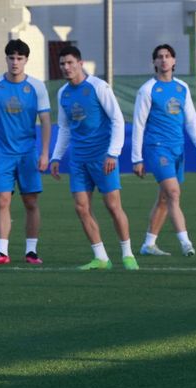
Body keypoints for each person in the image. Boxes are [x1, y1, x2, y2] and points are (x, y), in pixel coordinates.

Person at [50, 46, 139, 270]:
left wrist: (113, 153)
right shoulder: (63, 93)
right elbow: (64, 128)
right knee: (81, 207)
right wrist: (56, 157)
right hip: (78, 159)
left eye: (70, 63)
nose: (66, 67)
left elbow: (118, 120)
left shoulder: (99, 87)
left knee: (112, 205)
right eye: (62, 64)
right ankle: (101, 258)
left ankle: (128, 254)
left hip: (102, 157)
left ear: (80, 63)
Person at [0, 39, 51, 265]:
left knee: (30, 202)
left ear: (26, 60)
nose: (15, 62)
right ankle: (2, 252)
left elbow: (46, 121)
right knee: (2, 201)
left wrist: (45, 152)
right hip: (2, 154)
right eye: (11, 58)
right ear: (6, 59)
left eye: (20, 58)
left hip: (28, 153)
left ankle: (31, 251)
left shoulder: (37, 86)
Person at [132, 44, 196, 257]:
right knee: (173, 193)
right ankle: (185, 243)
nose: (164, 60)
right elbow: (139, 124)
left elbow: (190, 120)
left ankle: (148, 244)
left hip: (177, 148)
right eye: (159, 57)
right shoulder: (147, 89)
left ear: (174, 61)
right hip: (157, 148)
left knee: (164, 198)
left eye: (168, 56)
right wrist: (137, 158)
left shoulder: (182, 87)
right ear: (154, 62)